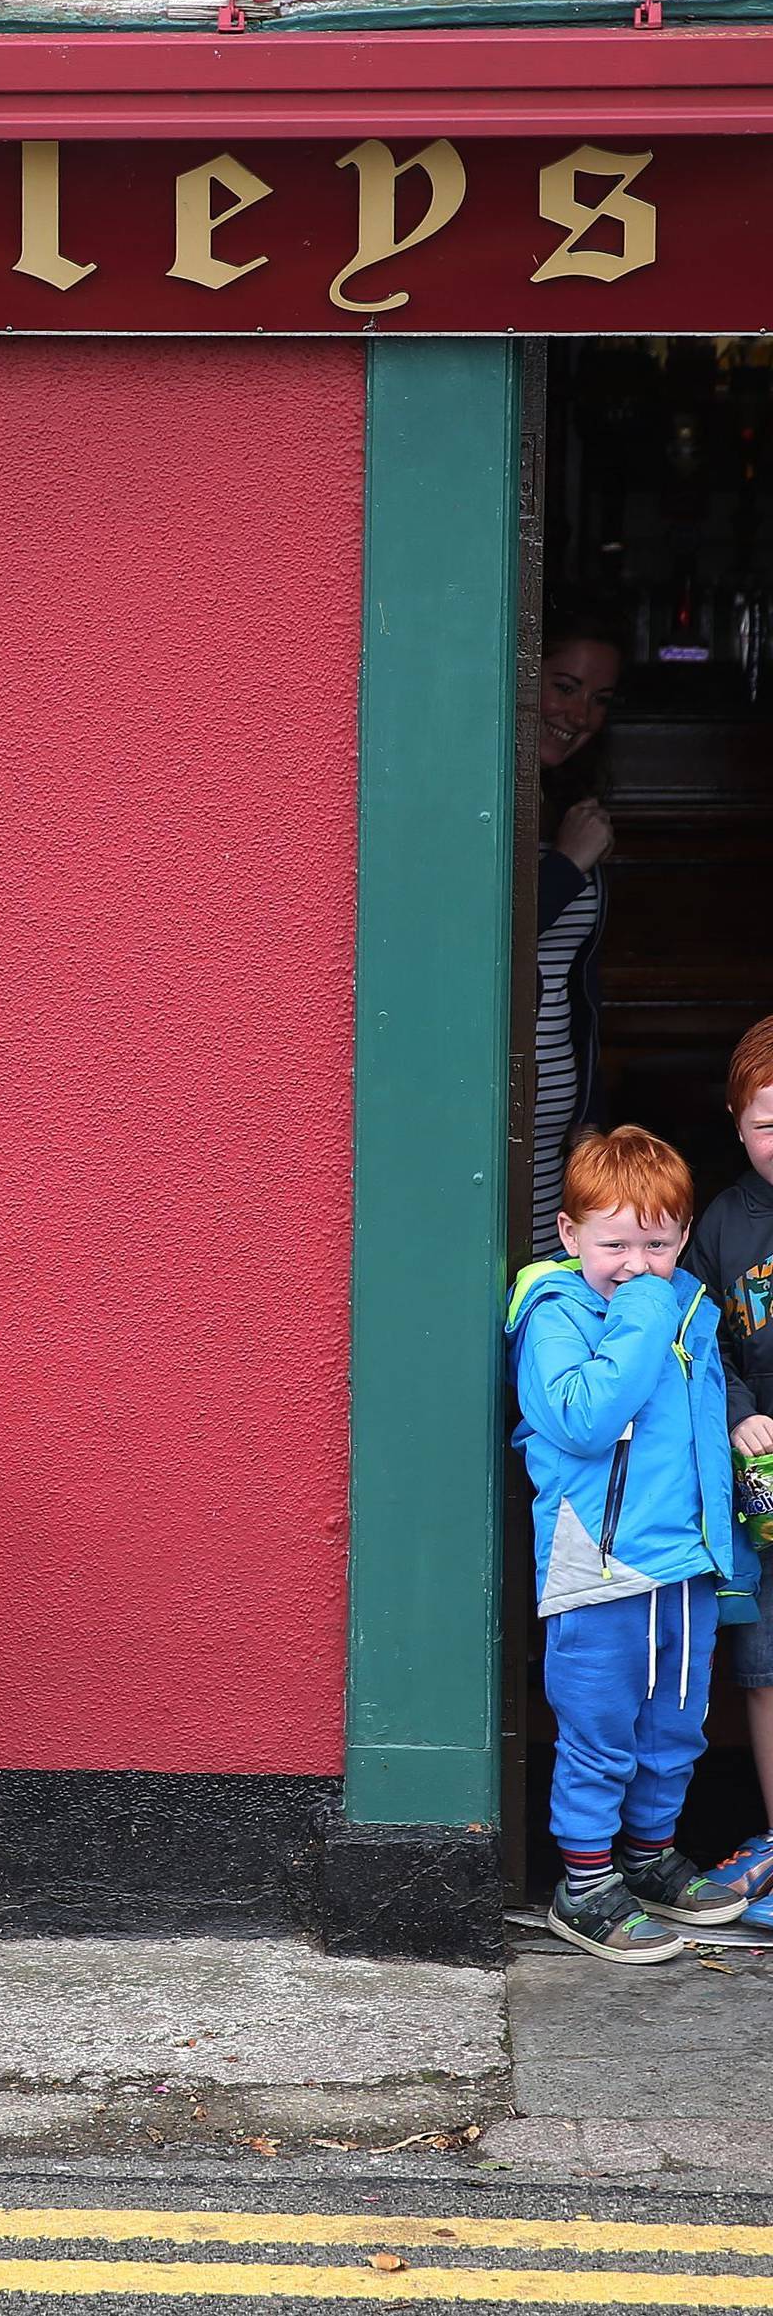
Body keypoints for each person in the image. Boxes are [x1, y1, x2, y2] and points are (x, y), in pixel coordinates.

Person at [506, 1124, 758, 1960]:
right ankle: (583, 1883)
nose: (636, 1263)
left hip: (684, 1560)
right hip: (600, 1563)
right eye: (614, 1242)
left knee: (676, 1727)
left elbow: (700, 1442)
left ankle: (648, 1858)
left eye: (657, 1243)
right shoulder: (554, 1313)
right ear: (571, 1234)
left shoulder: (689, 1304)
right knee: (600, 1726)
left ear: (684, 1236)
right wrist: (647, 1307)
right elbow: (581, 1417)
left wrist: (727, 1554)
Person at [682, 1018, 773, 1923]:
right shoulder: (725, 1221)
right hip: (764, 1479)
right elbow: (703, 1343)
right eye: (769, 1123)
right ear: (737, 1124)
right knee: (764, 1657)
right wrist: (740, 1410)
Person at [531, 601, 625, 1255]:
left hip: (557, 1115)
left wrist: (587, 1114)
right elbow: (476, 948)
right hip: (491, 1108)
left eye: (598, 699)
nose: (580, 714)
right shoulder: (474, 799)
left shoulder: (565, 806)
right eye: (564, 686)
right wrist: (567, 865)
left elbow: (576, 982)